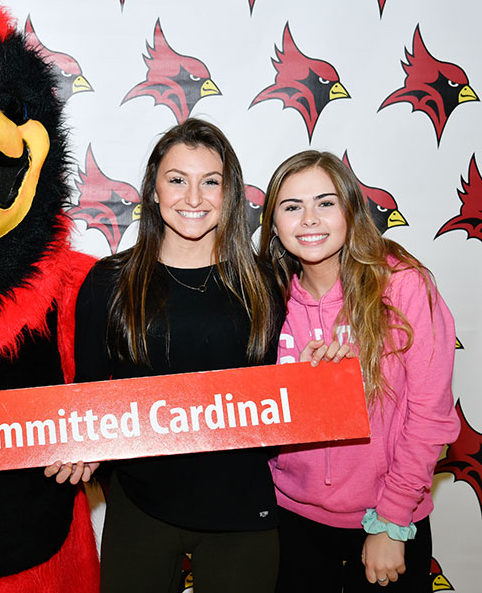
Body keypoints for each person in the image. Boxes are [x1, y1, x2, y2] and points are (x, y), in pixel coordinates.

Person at [67, 118, 285, 592]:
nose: (193, 198)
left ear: (229, 195)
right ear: (153, 191)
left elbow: (281, 398)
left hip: (242, 510)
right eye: (177, 180)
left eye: (211, 182)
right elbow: (87, 399)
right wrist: (78, 448)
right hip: (141, 508)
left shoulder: (264, 283)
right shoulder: (109, 283)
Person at [258, 150, 459, 592]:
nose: (310, 219)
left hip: (388, 519)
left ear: (351, 210)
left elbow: (430, 417)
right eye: (292, 207)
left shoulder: (403, 285)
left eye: (325, 203)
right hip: (291, 520)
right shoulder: (265, 300)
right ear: (274, 225)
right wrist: (307, 392)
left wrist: (391, 522)